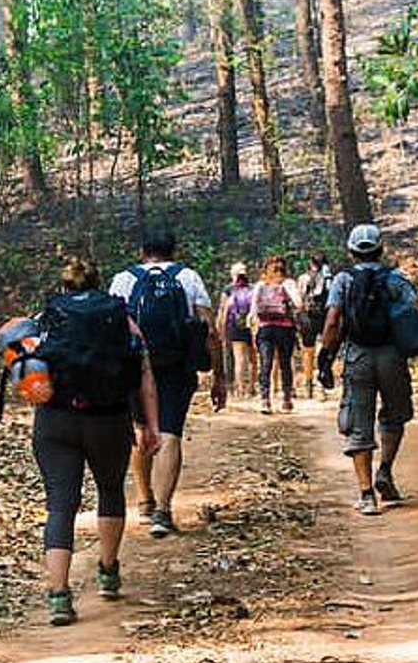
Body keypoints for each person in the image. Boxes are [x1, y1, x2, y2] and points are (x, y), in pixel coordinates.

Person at [30, 258, 162, 626]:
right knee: (110, 490)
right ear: (99, 284)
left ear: (64, 286)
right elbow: (144, 373)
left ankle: (58, 595)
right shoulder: (121, 319)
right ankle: (107, 572)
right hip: (108, 419)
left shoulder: (48, 317)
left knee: (60, 506)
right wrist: (150, 424)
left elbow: (26, 364)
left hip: (55, 421)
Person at [316, 224, 418, 516]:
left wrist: (326, 356)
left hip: (357, 356)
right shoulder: (396, 279)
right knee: (394, 415)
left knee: (359, 423)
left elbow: (333, 321)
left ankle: (366, 494)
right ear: (381, 249)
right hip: (392, 356)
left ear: (351, 251)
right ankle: (385, 470)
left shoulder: (343, 280)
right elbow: (417, 314)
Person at [109, 230, 224, 539]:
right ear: (174, 250)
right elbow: (211, 331)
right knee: (170, 432)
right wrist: (219, 376)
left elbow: (112, 326)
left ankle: (144, 500)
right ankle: (163, 510)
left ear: (142, 250)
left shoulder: (123, 279)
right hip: (177, 366)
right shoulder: (188, 277)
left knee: (140, 427)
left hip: (135, 366)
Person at [251, 256, 302, 413]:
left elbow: (253, 309)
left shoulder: (260, 285)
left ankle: (265, 400)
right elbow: (299, 303)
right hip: (285, 329)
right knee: (285, 365)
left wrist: (253, 327)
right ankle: (287, 399)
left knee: (265, 364)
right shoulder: (288, 283)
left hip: (265, 328)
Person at [295, 253, 331, 397]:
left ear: (311, 263)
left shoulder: (303, 278)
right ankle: (320, 385)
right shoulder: (328, 278)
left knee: (307, 350)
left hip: (307, 317)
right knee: (321, 349)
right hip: (323, 316)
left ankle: (307, 384)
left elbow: (299, 299)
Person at [221, 263, 256, 400]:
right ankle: (251, 388)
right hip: (252, 325)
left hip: (235, 326)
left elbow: (223, 310)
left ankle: (239, 388)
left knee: (239, 358)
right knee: (253, 359)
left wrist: (222, 327)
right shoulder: (253, 288)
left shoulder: (228, 289)